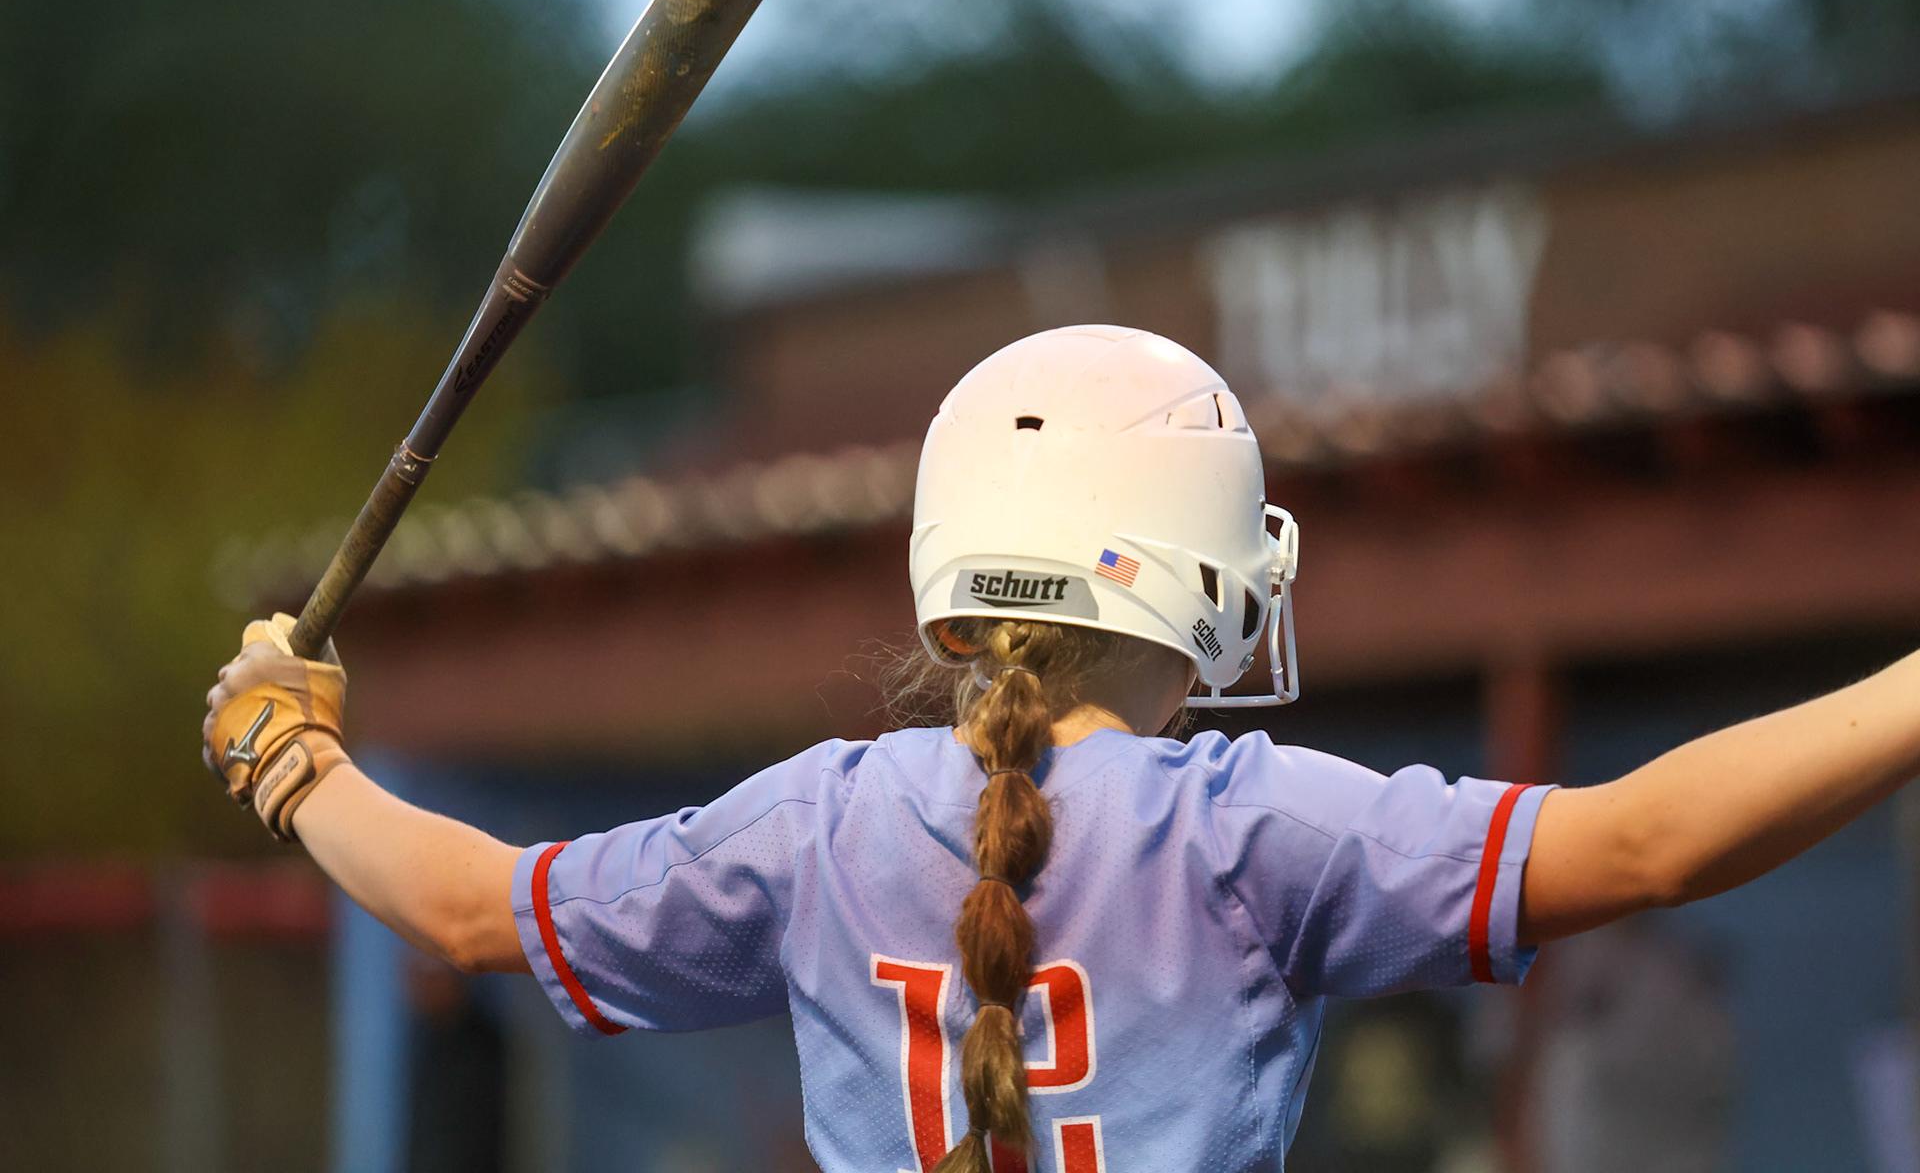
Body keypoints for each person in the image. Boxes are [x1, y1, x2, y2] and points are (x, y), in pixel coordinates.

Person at [204, 325, 1920, 1172]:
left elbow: (469, 912)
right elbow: (1651, 844)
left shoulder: (816, 821)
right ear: (1202, 586)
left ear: (948, 593)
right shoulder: (1248, 828)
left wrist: (296, 755)